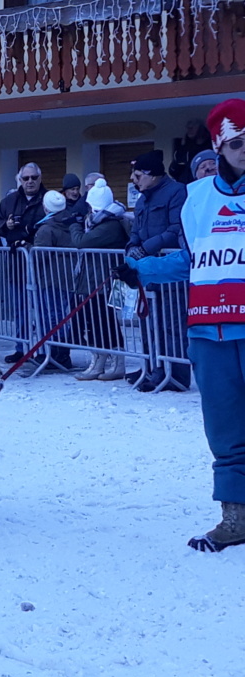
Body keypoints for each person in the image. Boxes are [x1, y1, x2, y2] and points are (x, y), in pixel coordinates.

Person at [114, 99, 245, 552]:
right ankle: (234, 517)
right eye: (237, 143)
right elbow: (190, 261)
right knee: (224, 429)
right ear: (219, 145)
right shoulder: (197, 199)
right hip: (210, 330)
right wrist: (142, 270)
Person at [126, 149, 189, 392]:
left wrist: (145, 248)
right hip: (146, 269)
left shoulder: (177, 192)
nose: (133, 179)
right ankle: (152, 368)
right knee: (147, 322)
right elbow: (135, 228)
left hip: (168, 269)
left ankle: (175, 374)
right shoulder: (142, 198)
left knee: (171, 322)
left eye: (138, 175)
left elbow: (176, 229)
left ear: (153, 175)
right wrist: (132, 248)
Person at [67, 178, 130, 381]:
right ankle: (102, 360)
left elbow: (82, 242)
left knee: (105, 322)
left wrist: (74, 226)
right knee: (96, 321)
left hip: (104, 281)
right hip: (94, 279)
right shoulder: (99, 221)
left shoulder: (109, 225)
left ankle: (114, 361)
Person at [0, 163, 48, 363]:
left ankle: (45, 350)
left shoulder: (47, 199)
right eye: (26, 178)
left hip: (43, 266)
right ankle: (21, 347)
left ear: (40, 178)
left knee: (43, 310)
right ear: (20, 181)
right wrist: (5, 225)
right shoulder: (9, 201)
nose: (30, 181)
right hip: (17, 264)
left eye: (34, 177)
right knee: (20, 309)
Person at [31, 190, 75, 369]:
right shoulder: (70, 223)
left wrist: (27, 248)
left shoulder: (46, 229)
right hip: (67, 277)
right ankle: (60, 352)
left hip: (50, 278)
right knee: (60, 315)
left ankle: (54, 353)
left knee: (50, 316)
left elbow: (39, 256)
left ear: (45, 207)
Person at [168, 117, 212, 184]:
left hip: (206, 182)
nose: (189, 130)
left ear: (200, 128)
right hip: (186, 185)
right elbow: (173, 171)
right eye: (188, 128)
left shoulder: (211, 146)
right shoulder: (184, 147)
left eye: (192, 127)